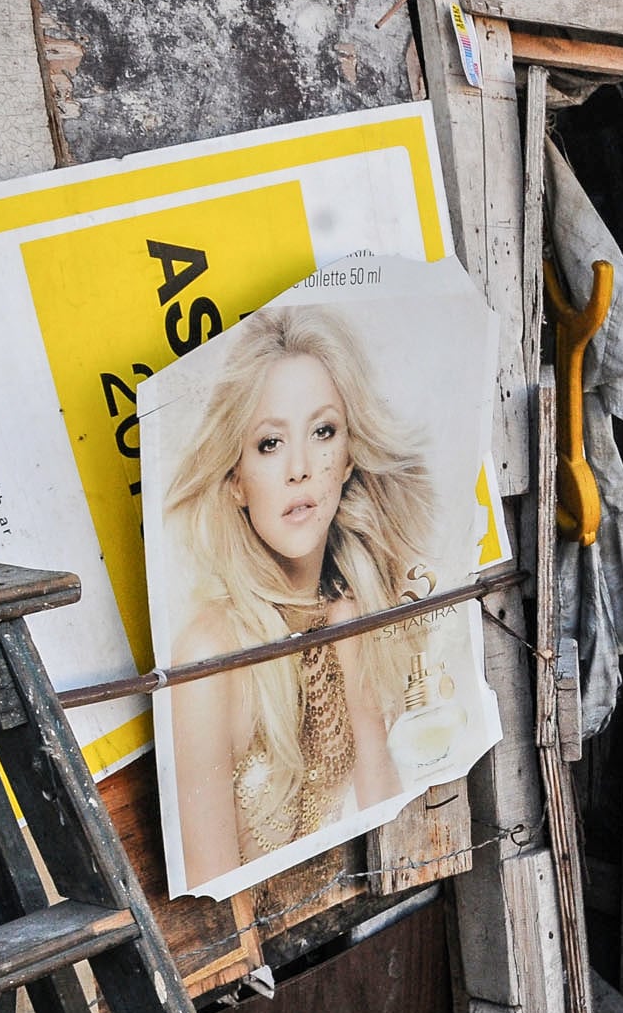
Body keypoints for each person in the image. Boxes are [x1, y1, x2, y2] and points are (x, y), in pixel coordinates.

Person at [163, 305, 440, 890]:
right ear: (235, 479)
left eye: (322, 432)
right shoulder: (209, 650)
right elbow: (209, 898)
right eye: (268, 443)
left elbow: (392, 837)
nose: (299, 469)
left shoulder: (356, 612)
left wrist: (357, 674)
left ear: (347, 457)